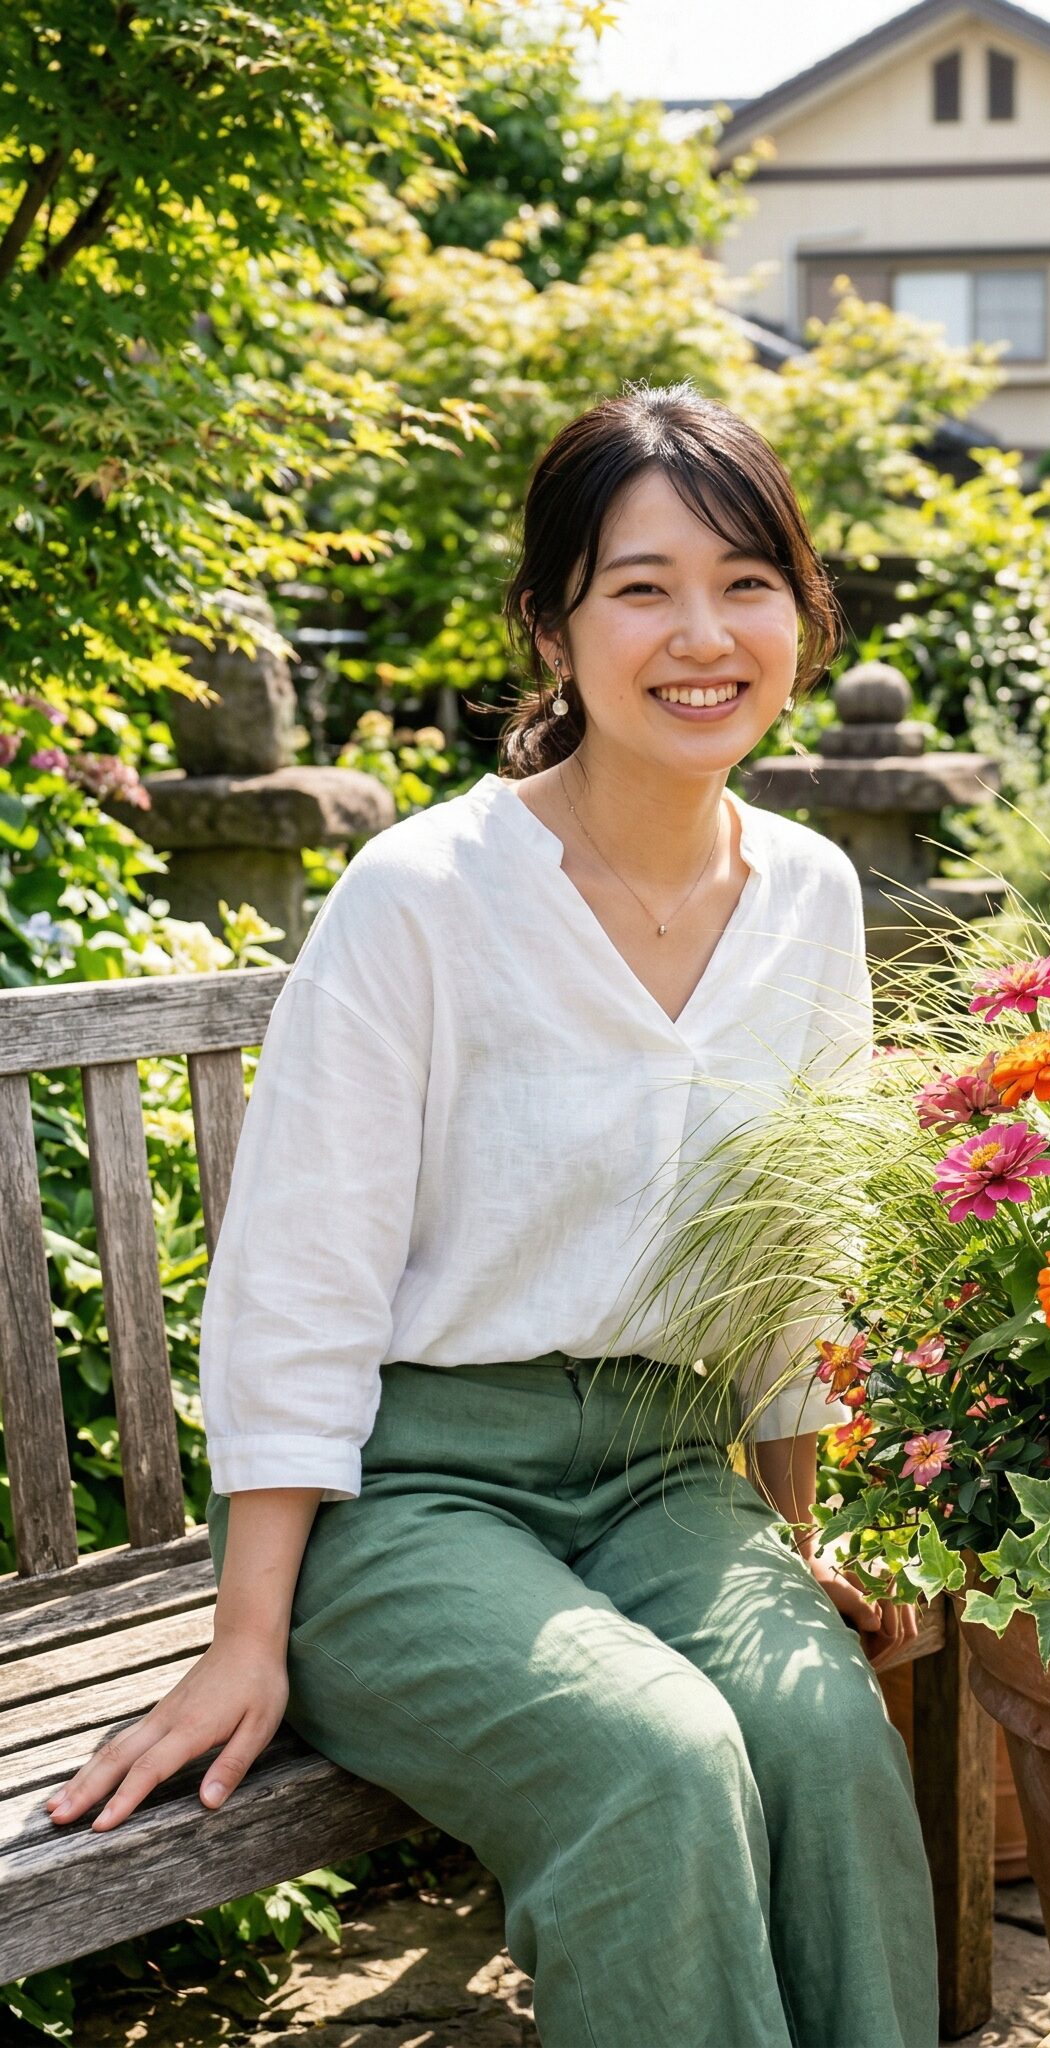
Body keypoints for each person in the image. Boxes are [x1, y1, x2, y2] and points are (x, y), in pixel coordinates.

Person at [42, 384, 942, 2048]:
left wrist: (796, 1532)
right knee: (653, 1762)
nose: (703, 633)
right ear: (552, 624)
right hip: (410, 1501)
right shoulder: (425, 897)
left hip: (668, 1471)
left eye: (747, 582)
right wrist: (249, 1636)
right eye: (641, 586)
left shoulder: (807, 893)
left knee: (822, 1731)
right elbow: (301, 1275)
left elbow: (797, 1244)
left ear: (802, 613)